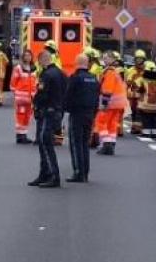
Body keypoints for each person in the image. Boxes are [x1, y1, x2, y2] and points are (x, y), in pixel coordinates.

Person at [30, 47, 67, 188]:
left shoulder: (46, 74)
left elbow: (42, 93)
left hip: (47, 112)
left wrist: (36, 105)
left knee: (45, 144)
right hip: (57, 111)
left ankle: (53, 176)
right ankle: (44, 174)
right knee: (44, 142)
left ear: (41, 60)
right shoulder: (61, 73)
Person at [66, 51, 101, 183]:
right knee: (85, 144)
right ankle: (85, 172)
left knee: (76, 143)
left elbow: (68, 96)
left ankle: (78, 172)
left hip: (77, 114)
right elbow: (97, 97)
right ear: (87, 64)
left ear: (77, 63)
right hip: (90, 114)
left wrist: (67, 109)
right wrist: (94, 112)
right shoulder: (93, 78)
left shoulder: (75, 78)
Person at [97, 52, 127, 155]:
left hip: (111, 102)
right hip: (119, 103)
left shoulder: (109, 72)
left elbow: (108, 89)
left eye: (106, 58)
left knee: (101, 122)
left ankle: (106, 145)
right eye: (103, 58)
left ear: (112, 59)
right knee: (112, 123)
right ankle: (111, 143)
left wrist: (104, 103)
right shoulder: (116, 71)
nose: (104, 60)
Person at [11, 53, 37, 143]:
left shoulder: (34, 69)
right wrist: (15, 93)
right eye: (26, 56)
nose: (28, 57)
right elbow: (13, 82)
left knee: (27, 116)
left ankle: (24, 134)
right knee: (20, 116)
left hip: (31, 98)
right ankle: (19, 135)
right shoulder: (18, 68)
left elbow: (35, 82)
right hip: (21, 97)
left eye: (29, 56)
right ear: (23, 57)